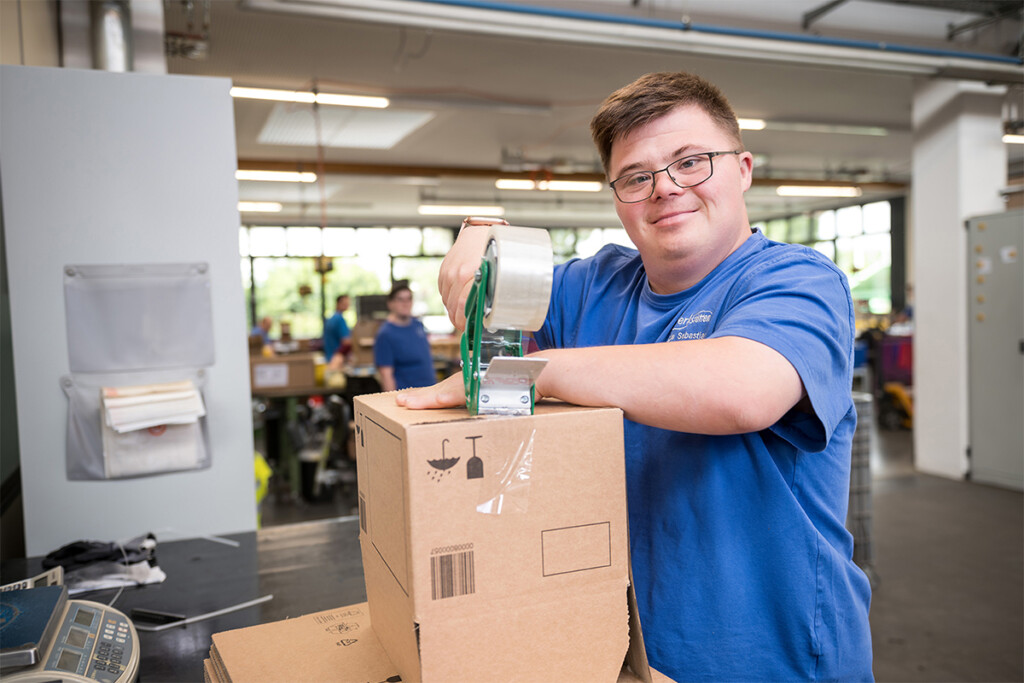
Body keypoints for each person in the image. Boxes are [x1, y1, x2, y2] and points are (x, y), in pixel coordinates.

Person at [398, 71, 873, 681]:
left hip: (771, 656)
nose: (665, 188)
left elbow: (742, 390)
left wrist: (536, 373)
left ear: (744, 168)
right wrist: (484, 239)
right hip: (628, 652)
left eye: (691, 161)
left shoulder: (797, 280)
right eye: (636, 176)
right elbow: (492, 328)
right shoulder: (591, 287)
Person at [374, 283, 437, 392]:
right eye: (400, 299)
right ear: (390, 304)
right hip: (408, 399)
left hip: (430, 393)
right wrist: (391, 404)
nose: (406, 303)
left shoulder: (418, 325)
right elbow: (386, 375)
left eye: (409, 299)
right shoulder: (385, 334)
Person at [323, 294, 352, 364]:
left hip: (329, 357)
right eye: (345, 303)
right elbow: (346, 341)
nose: (347, 305)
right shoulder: (339, 319)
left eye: (348, 303)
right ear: (338, 303)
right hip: (336, 359)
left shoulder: (330, 319)